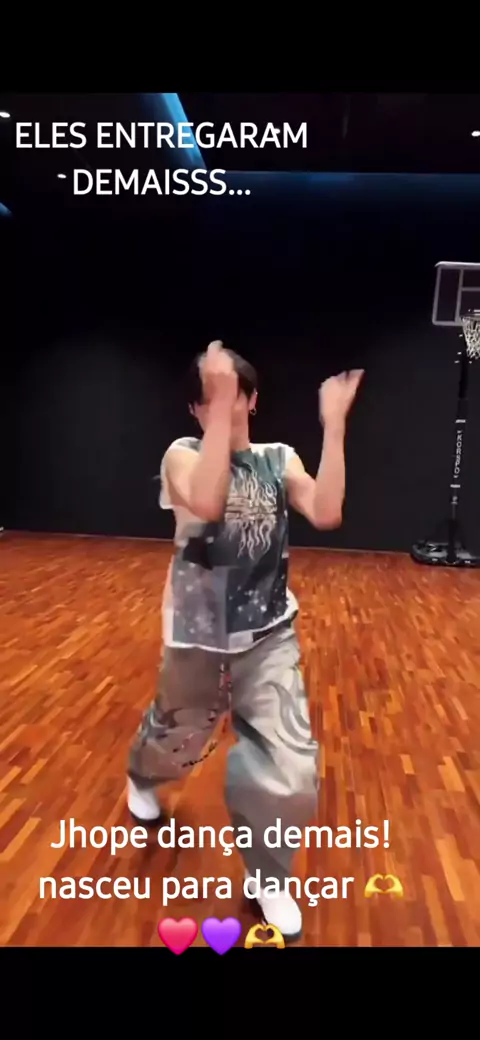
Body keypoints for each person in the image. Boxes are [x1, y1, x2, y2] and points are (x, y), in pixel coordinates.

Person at [127, 341, 363, 939]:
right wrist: (220, 404)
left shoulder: (278, 459)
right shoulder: (181, 455)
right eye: (211, 397)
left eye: (235, 395)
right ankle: (144, 777)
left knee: (290, 763)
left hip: (268, 633)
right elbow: (207, 502)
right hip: (198, 635)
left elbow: (326, 511)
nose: (225, 406)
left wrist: (334, 427)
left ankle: (268, 876)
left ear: (253, 401)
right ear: (195, 409)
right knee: (177, 737)